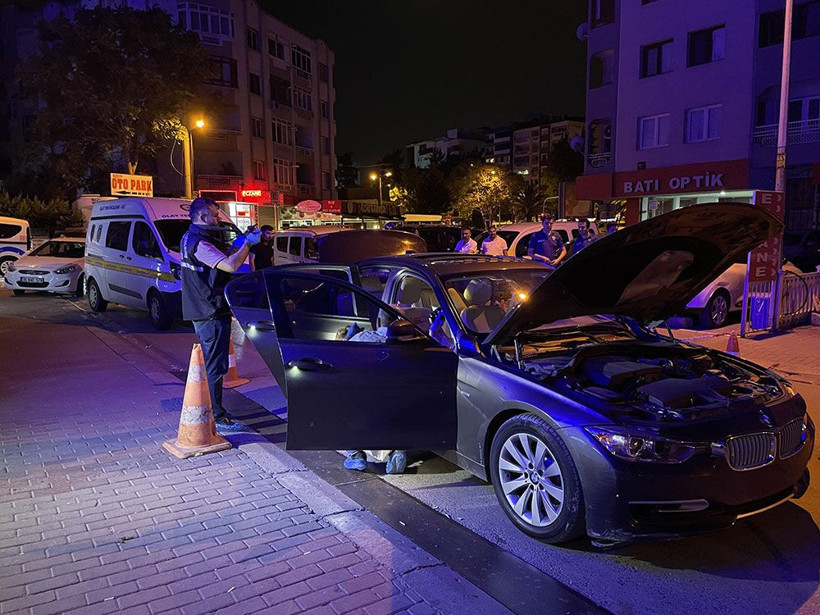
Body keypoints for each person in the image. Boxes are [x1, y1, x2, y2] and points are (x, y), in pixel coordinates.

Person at [180, 197, 261, 428]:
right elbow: (230, 265)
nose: (218, 219)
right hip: (210, 310)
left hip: (205, 309)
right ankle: (216, 415)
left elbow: (224, 254)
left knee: (215, 363)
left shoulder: (190, 237)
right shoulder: (200, 244)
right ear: (203, 216)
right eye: (215, 215)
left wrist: (244, 238)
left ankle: (212, 410)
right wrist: (248, 245)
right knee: (215, 366)